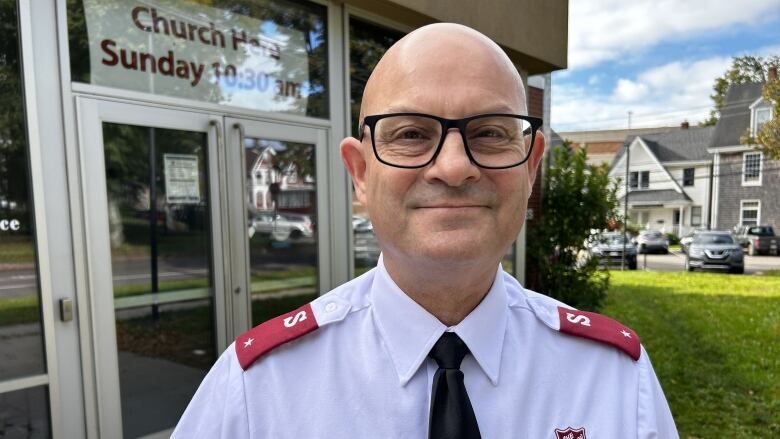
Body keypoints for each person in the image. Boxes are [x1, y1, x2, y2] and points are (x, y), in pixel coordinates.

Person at [172, 23, 678, 438]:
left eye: (490, 133)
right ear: (361, 174)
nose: (454, 167)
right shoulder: (256, 392)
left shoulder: (615, 380)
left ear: (530, 168)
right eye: (411, 134)